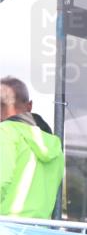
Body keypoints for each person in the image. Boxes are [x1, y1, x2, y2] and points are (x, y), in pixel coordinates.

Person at [0, 76, 64, 219]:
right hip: (40, 231)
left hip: (7, 228)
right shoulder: (54, 144)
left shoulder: (5, 132)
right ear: (29, 106)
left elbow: (1, 180)